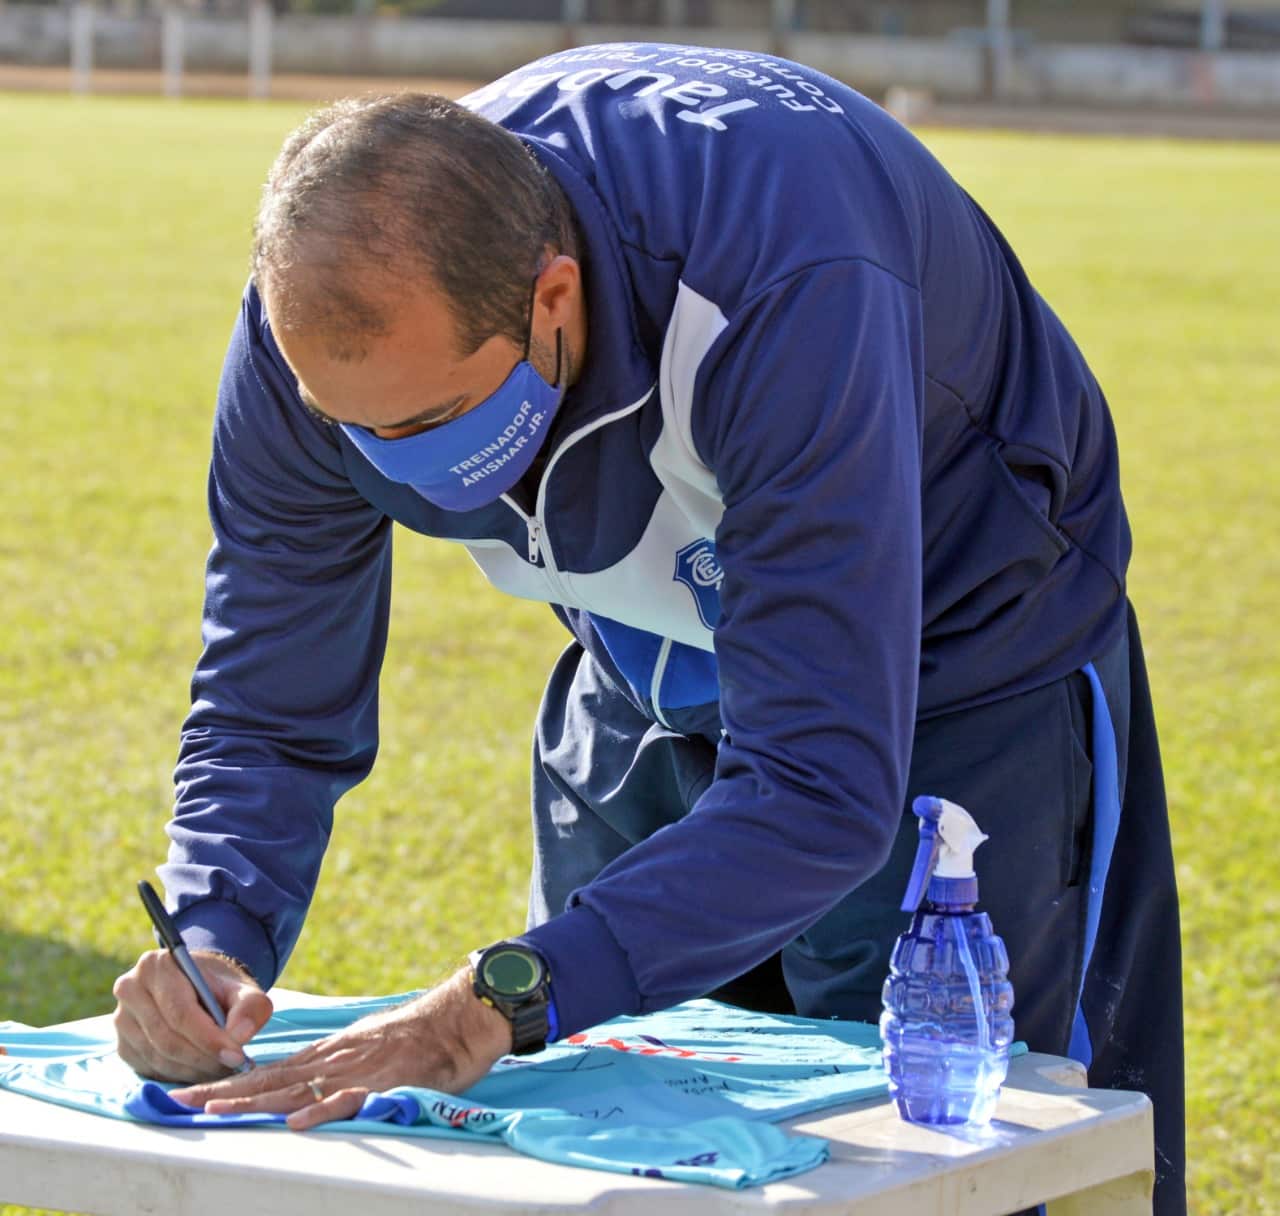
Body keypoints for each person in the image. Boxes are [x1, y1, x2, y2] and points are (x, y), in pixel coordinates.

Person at [109, 42, 1184, 1213]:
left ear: (553, 295)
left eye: (433, 420)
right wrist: (212, 931)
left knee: (949, 1153)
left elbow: (819, 782)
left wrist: (495, 996)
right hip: (636, 656)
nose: (392, 465)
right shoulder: (306, 340)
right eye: (349, 427)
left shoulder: (782, 274)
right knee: (608, 1150)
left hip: (966, 652)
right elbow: (268, 699)